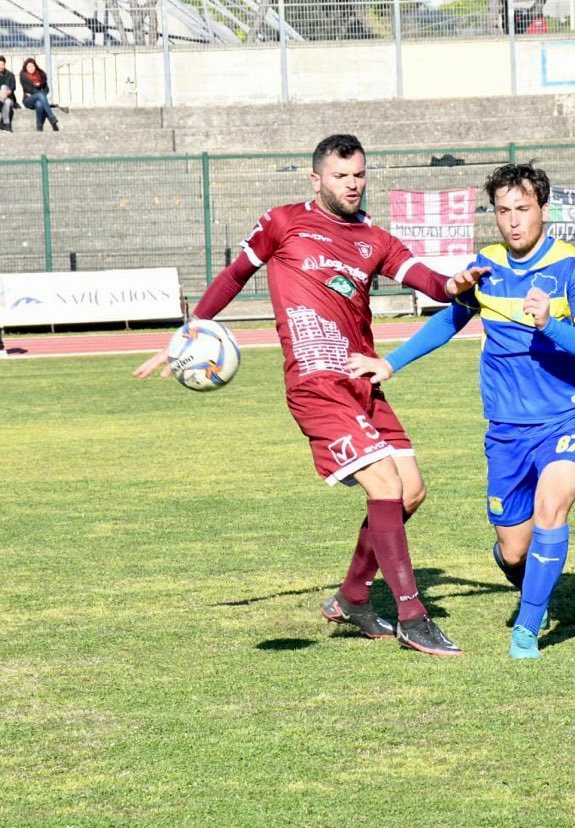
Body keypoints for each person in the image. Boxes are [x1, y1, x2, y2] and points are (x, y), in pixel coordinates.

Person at [133, 134, 486, 657]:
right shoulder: (282, 223)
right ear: (315, 177)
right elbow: (235, 274)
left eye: (359, 174)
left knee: (410, 491)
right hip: (314, 383)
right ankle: (412, 616)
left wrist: (456, 284)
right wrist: (192, 331)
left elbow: (430, 283)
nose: (352, 184)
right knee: (384, 484)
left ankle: (352, 597)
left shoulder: (376, 239)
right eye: (341, 175)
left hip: (361, 378)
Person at [349, 163, 575, 660]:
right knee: (513, 551)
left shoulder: (572, 267)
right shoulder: (485, 266)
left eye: (523, 209)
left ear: (544, 210)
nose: (513, 221)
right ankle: (526, 573)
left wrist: (549, 324)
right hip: (508, 428)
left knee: (552, 507)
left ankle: (527, 630)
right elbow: (449, 321)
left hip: (570, 416)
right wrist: (391, 362)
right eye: (503, 211)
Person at [19, 57, 59, 132]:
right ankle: (51, 117)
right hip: (28, 100)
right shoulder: (23, 76)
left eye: (32, 66)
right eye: (29, 67)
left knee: (39, 104)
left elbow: (46, 89)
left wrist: (42, 94)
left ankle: (39, 128)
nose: (31, 68)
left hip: (38, 99)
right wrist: (40, 93)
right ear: (26, 67)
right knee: (40, 95)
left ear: (35, 66)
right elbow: (29, 89)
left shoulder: (40, 75)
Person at [0, 56, 16, 132]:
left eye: (2, 64)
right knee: (6, 102)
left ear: (4, 64)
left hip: (9, 98)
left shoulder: (10, 75)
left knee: (7, 101)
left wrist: (7, 93)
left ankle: (5, 125)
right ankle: (7, 126)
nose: (1, 66)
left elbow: (13, 87)